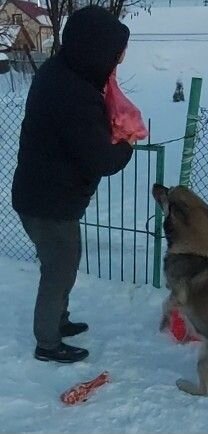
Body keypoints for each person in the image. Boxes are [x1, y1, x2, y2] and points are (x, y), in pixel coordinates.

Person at [11, 6, 133, 363]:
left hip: (46, 197)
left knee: (64, 263)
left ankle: (58, 322)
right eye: (115, 52)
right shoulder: (72, 93)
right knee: (59, 269)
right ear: (95, 48)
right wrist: (126, 144)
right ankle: (47, 343)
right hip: (48, 204)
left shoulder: (63, 73)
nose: (119, 59)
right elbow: (100, 160)